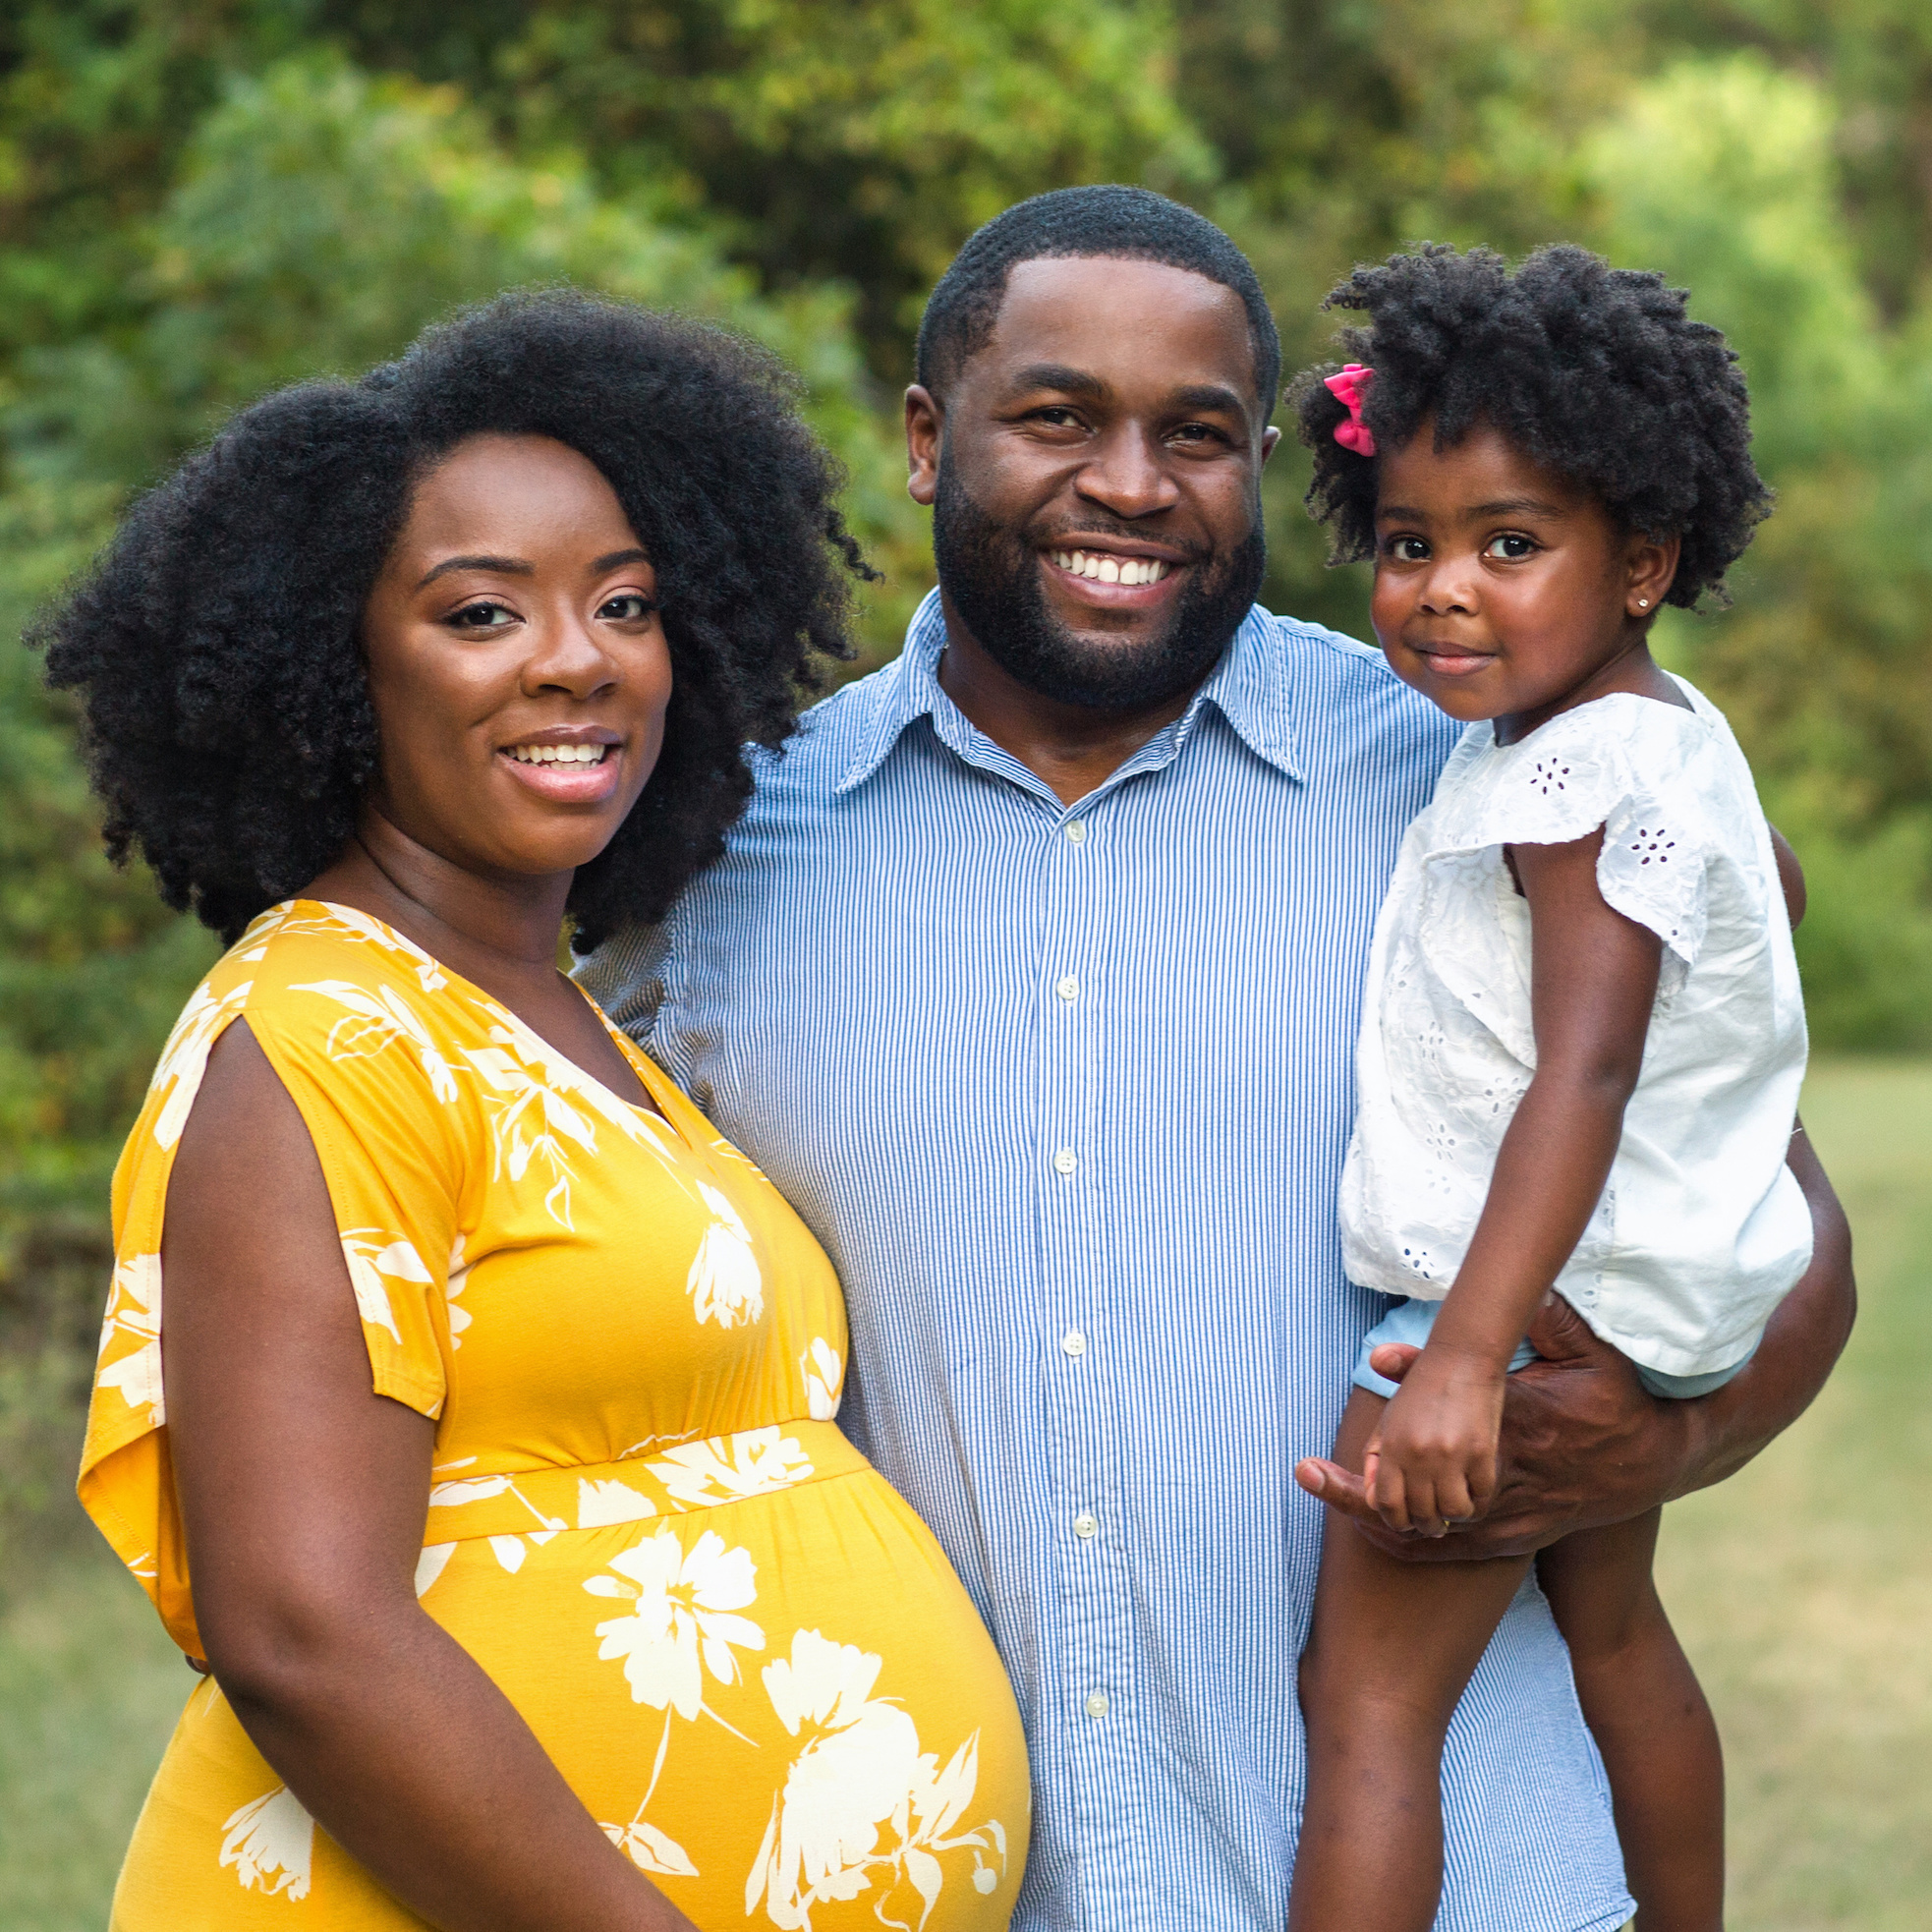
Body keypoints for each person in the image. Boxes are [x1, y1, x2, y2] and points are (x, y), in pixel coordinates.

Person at [579, 188, 1854, 1931]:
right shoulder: (718, 852)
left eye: (1195, 434)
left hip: (1494, 1886)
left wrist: (1661, 1437)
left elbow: (1767, 1199)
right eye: (1054, 416)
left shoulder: (1470, 777)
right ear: (926, 439)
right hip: (964, 1885)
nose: (1128, 482)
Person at [46, 291, 1028, 1931]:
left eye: (624, 603)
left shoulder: (569, 1019)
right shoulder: (321, 1033)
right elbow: (300, 1628)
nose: (576, 658)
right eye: (481, 613)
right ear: (336, 667)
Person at [1282, 244, 1813, 1932]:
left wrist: (1455, 1360)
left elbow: (1578, 1072)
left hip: (1517, 1306)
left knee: (1364, 1706)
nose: (1444, 589)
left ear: (1643, 559)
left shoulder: (1573, 773)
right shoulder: (1666, 738)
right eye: (1411, 545)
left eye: (1511, 545)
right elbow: (1771, 886)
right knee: (1612, 1633)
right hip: (1645, 1295)